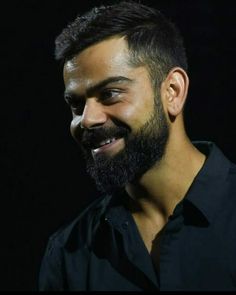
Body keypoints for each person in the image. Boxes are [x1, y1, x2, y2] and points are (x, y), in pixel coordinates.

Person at [38, 1, 236, 291]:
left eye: (111, 94)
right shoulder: (69, 255)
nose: (87, 120)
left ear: (173, 92)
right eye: (76, 105)